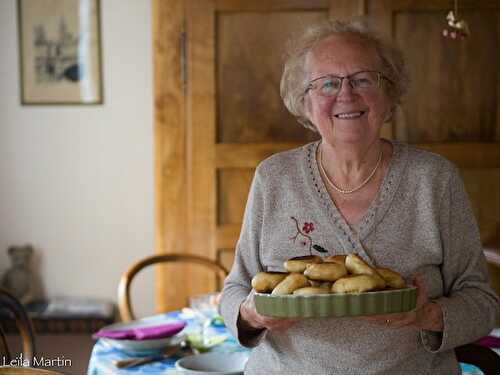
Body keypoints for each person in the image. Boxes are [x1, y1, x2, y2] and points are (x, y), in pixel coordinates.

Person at [219, 19, 499, 374]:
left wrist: (427, 315)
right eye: (328, 84)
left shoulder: (433, 179)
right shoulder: (274, 178)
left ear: (390, 94)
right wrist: (252, 314)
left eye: (363, 79)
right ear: (304, 102)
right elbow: (235, 290)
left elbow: (483, 303)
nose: (346, 94)